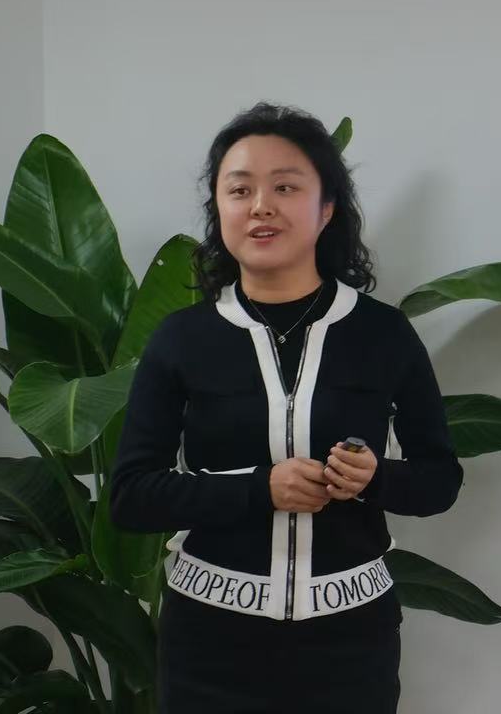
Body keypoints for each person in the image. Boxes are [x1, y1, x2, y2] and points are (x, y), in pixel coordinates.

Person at [112, 103, 462, 713]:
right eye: (239, 189)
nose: (261, 206)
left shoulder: (383, 334)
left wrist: (375, 478)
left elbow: (440, 481)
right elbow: (132, 496)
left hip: (351, 644)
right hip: (210, 644)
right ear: (219, 209)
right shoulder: (182, 339)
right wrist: (260, 489)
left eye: (285, 187)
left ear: (326, 209)